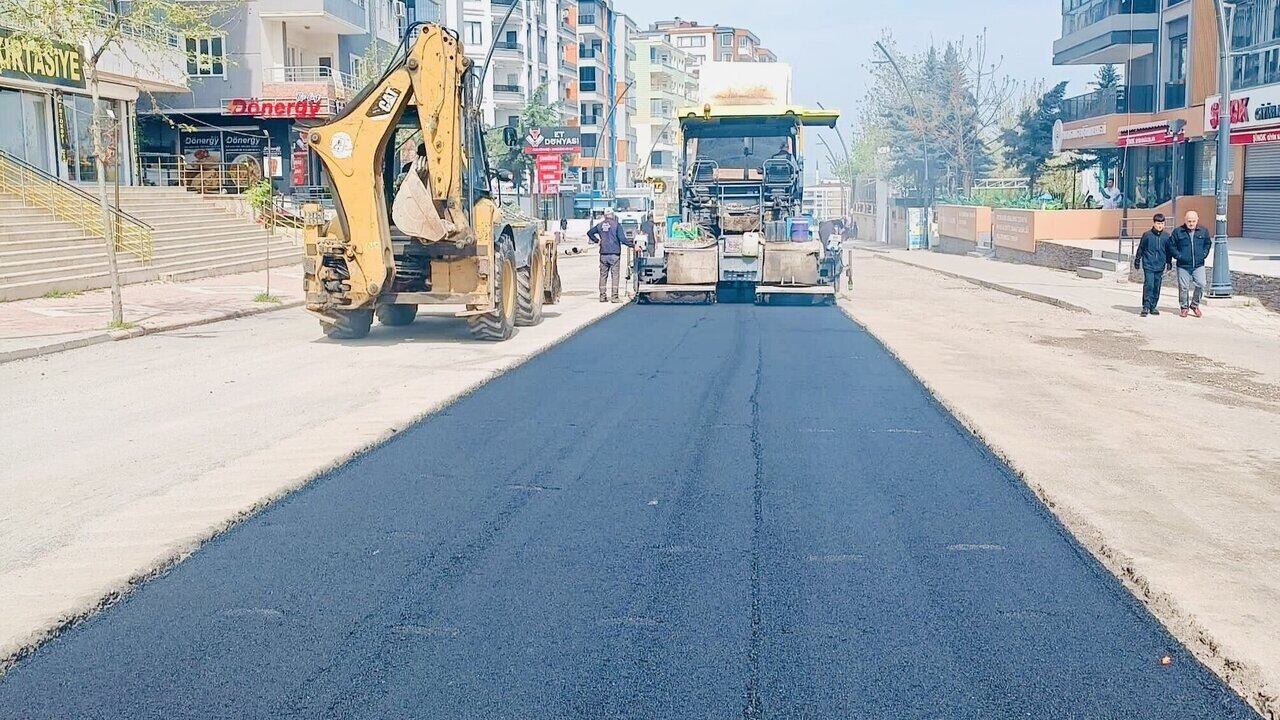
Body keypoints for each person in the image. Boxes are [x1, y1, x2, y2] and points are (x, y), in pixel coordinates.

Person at [1170, 210, 1213, 317]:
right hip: (1183, 265)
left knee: (1201, 284)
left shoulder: (1203, 231)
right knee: (1183, 287)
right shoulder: (1178, 232)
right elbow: (1171, 246)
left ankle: (1195, 305)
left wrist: (1204, 254)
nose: (1191, 223)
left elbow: (1208, 243)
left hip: (1198, 264)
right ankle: (1184, 307)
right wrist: (1178, 256)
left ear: (1197, 220)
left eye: (1193, 221)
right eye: (1189, 221)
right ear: (1185, 220)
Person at [587, 208, 634, 303]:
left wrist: (597, 241)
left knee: (603, 275)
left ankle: (602, 296)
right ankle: (614, 297)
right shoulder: (616, 225)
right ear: (612, 215)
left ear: (604, 215)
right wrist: (633, 245)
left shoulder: (600, 225)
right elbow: (622, 239)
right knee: (615, 275)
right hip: (614, 254)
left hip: (603, 254)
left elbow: (589, 233)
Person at [1133, 213, 1172, 317]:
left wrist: (1169, 263)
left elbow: (1168, 251)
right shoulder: (1147, 235)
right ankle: (1145, 306)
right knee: (1149, 284)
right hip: (1148, 264)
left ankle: (1153, 306)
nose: (1160, 225)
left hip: (1160, 265)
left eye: (1162, 223)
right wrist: (1137, 260)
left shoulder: (1166, 236)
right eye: (1158, 223)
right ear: (1154, 223)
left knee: (1156, 285)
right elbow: (1141, 248)